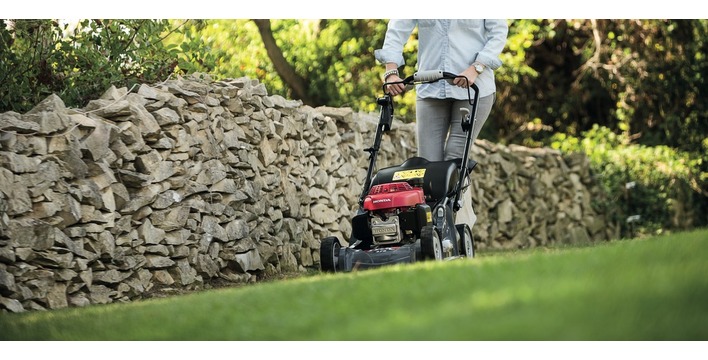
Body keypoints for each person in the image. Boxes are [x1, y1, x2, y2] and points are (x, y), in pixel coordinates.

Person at [374, 19, 509, 231]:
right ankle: (429, 232)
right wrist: (391, 71)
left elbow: (498, 33)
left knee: (455, 162)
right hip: (430, 89)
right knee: (426, 166)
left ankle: (456, 231)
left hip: (474, 89)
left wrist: (476, 68)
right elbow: (397, 28)